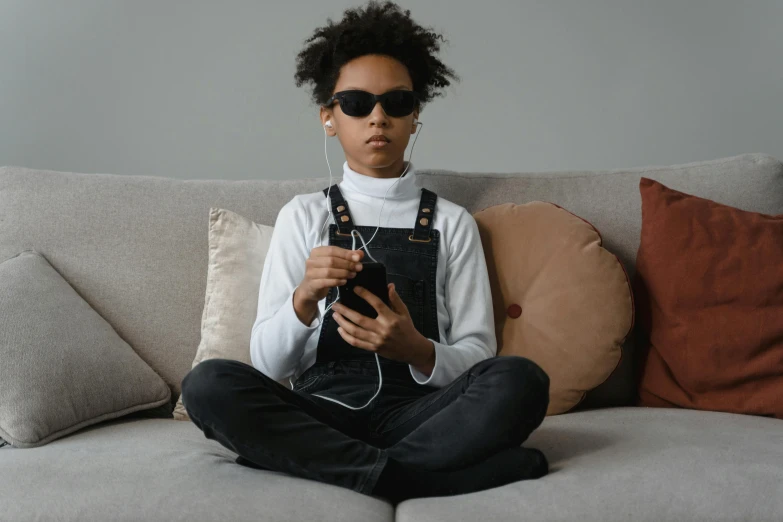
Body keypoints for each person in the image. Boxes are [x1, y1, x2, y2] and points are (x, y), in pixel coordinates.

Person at [181, 0, 550, 505]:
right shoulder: (304, 216)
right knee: (208, 385)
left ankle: (332, 465)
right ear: (329, 118)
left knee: (521, 380)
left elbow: (478, 354)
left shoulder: (451, 223)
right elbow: (268, 365)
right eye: (356, 103)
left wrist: (416, 349)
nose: (378, 117)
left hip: (422, 414)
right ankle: (421, 479)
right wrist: (305, 298)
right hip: (322, 410)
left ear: (415, 115)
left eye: (396, 102)